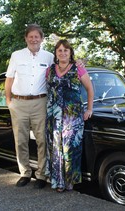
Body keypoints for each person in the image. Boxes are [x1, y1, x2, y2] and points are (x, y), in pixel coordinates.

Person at [5, 24, 54, 189]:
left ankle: (41, 175)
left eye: (37, 36)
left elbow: (63, 68)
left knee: (42, 140)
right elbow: (9, 78)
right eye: (31, 36)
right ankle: (25, 173)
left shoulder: (49, 57)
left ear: (42, 39)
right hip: (18, 103)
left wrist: (80, 64)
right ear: (26, 38)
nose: (34, 39)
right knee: (21, 141)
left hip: (40, 102)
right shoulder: (16, 55)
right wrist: (8, 101)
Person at [45, 39, 94, 192]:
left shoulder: (78, 68)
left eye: (66, 50)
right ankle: (58, 182)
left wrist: (89, 109)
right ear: (56, 53)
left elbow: (90, 90)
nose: (63, 53)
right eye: (59, 50)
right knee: (56, 149)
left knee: (69, 149)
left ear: (70, 53)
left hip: (73, 117)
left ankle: (69, 181)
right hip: (54, 116)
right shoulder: (50, 70)